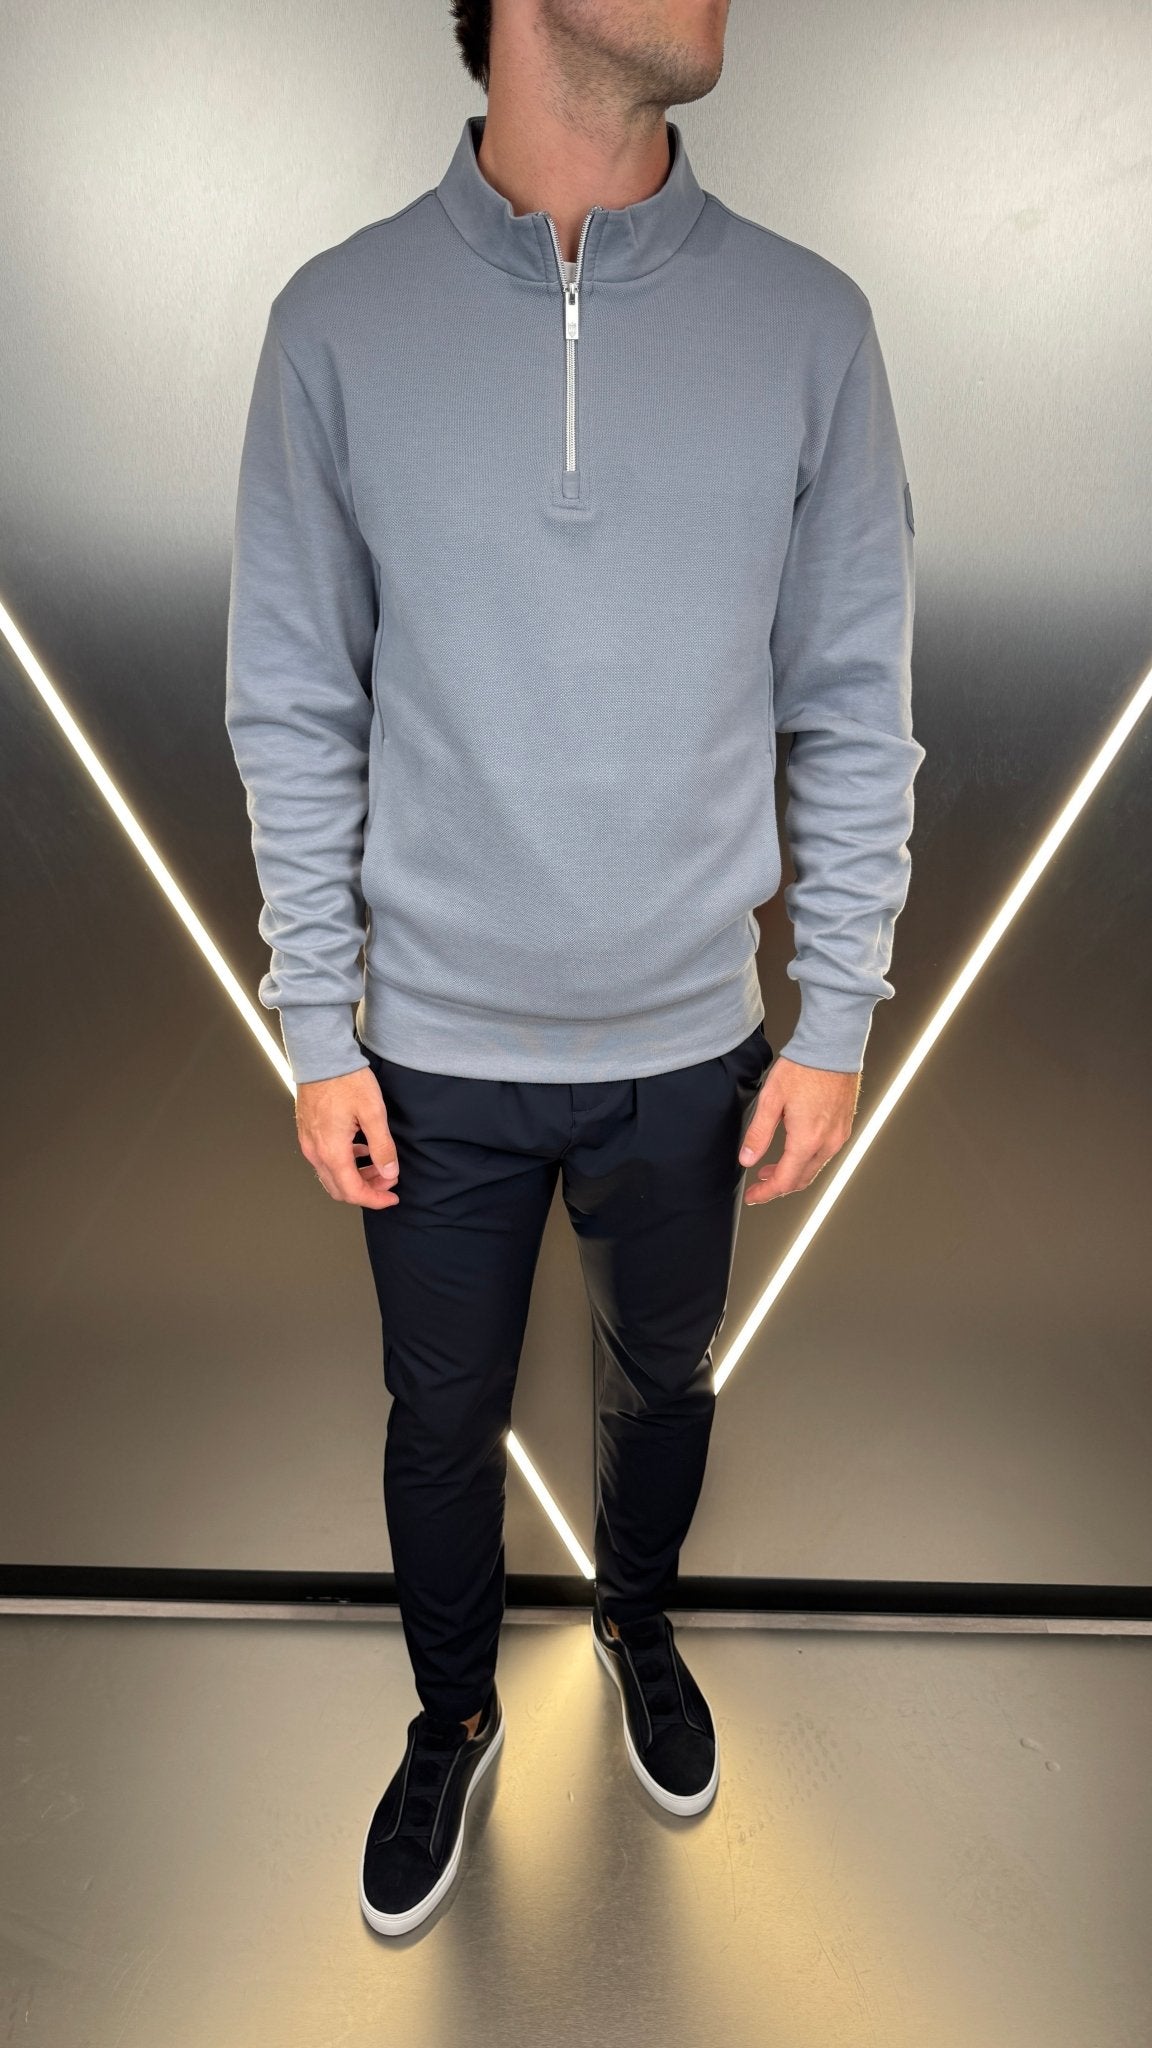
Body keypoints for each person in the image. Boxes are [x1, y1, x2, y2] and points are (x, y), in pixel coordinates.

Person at [224, 0, 924, 1938]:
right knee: (438, 1422)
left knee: (661, 1384)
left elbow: (854, 698)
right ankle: (452, 1715)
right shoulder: (337, 324)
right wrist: (315, 1026)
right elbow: (294, 698)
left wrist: (838, 1015)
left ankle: (634, 1623)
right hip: (429, 1056)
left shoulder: (810, 326)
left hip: (695, 1047)